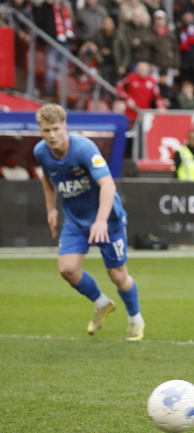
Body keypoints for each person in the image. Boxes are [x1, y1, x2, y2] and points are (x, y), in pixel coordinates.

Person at [34, 104, 145, 341]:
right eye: (46, 130)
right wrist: (51, 208)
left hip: (108, 218)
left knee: (117, 275)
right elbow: (47, 176)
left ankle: (135, 318)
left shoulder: (84, 148)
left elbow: (108, 184)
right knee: (67, 269)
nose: (51, 135)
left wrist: (101, 221)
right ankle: (102, 303)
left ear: (65, 127)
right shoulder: (41, 152)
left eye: (55, 129)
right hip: (75, 219)